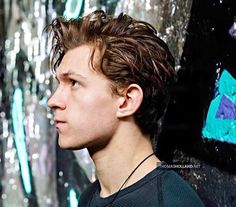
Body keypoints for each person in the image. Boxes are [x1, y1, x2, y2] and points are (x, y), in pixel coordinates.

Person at [47, 10, 204, 207]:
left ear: (126, 101)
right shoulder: (89, 198)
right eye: (59, 84)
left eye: (74, 83)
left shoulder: (171, 203)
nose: (53, 101)